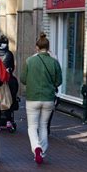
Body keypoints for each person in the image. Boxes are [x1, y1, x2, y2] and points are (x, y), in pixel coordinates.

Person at [21, 32, 62, 164]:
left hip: (32, 97)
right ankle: (42, 152)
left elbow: (22, 79)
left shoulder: (29, 61)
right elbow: (59, 81)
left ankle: (36, 147)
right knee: (43, 125)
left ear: (37, 47)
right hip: (48, 98)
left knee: (32, 126)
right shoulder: (54, 62)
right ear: (48, 48)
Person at [0, 36, 17, 130]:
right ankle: (8, 120)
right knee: (9, 100)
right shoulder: (9, 54)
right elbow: (12, 67)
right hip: (8, 81)